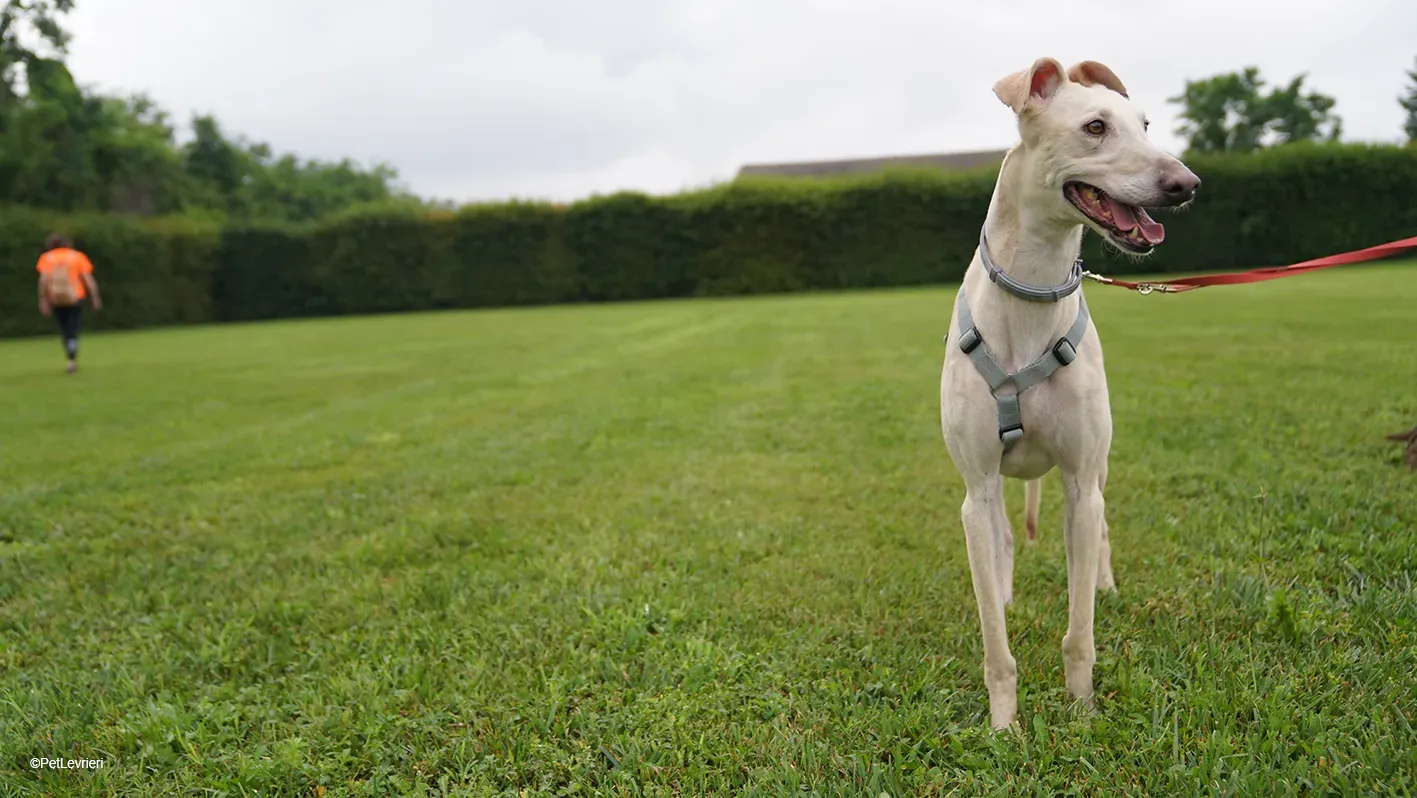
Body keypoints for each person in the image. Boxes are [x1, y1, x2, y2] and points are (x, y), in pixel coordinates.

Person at [36, 233, 102, 374]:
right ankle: (72, 359)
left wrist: (43, 299)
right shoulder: (77, 257)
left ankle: (69, 352)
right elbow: (87, 279)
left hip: (56, 297)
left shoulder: (47, 258)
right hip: (75, 296)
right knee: (73, 327)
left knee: (64, 328)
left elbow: (44, 280)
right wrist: (95, 297)